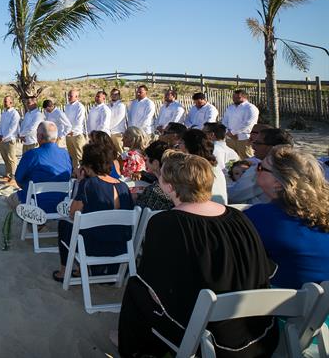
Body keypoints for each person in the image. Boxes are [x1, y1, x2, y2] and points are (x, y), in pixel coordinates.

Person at [117, 151, 278, 357]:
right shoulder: (238, 217)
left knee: (137, 286)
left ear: (169, 187)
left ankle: (139, 350)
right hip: (259, 329)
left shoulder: (165, 223)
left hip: (209, 336)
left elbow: (154, 285)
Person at [245, 146, 329, 289]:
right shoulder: (322, 213)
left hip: (283, 305)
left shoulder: (259, 217)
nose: (255, 170)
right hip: (322, 306)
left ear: (278, 183)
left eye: (260, 167)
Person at [53, 142, 135, 282]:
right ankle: (81, 270)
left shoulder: (88, 185)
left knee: (64, 224)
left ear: (89, 166)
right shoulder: (123, 187)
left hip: (94, 248)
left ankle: (64, 271)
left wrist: (79, 183)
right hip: (120, 247)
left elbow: (73, 213)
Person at [6, 121, 72, 212]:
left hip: (37, 204)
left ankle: (33, 224)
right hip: (62, 203)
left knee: (11, 199)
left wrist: (28, 188)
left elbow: (18, 179)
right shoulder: (65, 154)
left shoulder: (32, 154)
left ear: (40, 136)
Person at [228, 127, 294, 205]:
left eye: (257, 143)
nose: (252, 146)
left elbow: (233, 196)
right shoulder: (295, 166)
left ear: (272, 148)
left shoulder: (263, 170)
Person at [181, 128, 227, 204]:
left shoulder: (195, 168)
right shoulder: (213, 165)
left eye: (181, 143)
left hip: (206, 210)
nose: (178, 146)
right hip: (219, 208)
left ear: (188, 146)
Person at [134, 140, 174, 211]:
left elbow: (139, 213)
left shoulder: (153, 191)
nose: (145, 163)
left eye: (146, 160)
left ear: (155, 163)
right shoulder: (180, 185)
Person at [222, 89, 259, 159]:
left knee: (247, 158)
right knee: (231, 159)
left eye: (237, 97)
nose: (234, 99)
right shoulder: (230, 107)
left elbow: (249, 123)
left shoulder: (251, 108)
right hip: (229, 138)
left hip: (244, 138)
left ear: (245, 97)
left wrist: (233, 132)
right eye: (233, 97)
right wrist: (227, 132)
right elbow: (224, 121)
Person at [0, 96, 21, 183]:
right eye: (4, 101)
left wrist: (5, 137)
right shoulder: (4, 113)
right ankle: (8, 174)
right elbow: (0, 125)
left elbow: (13, 128)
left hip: (10, 139)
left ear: (11, 102)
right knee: (5, 158)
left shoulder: (15, 113)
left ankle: (14, 176)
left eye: (6, 101)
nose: (4, 102)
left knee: (11, 158)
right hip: (2, 139)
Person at [64, 89, 86, 169]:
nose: (69, 97)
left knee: (80, 155)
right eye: (68, 95)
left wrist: (72, 131)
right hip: (68, 135)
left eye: (71, 96)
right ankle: (75, 173)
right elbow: (65, 120)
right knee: (71, 155)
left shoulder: (80, 106)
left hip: (77, 134)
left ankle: (83, 173)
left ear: (76, 97)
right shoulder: (67, 106)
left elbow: (79, 121)